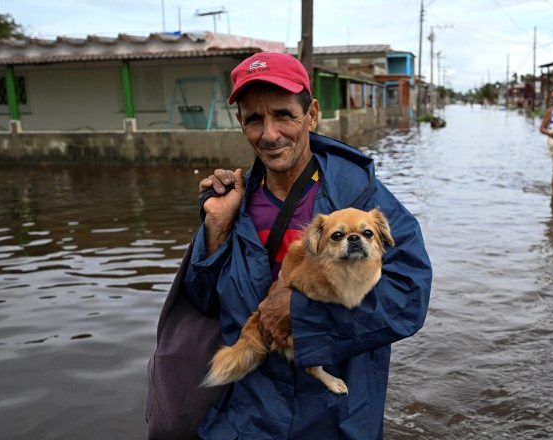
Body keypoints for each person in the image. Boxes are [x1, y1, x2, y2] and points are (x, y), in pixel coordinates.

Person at [155, 52, 432, 438]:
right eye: (255, 119)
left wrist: (301, 315)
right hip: (246, 418)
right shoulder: (236, 206)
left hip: (337, 417)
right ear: (241, 123)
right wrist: (216, 227)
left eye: (284, 114)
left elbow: (410, 294)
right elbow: (204, 305)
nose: (269, 134)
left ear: (312, 115)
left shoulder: (359, 198)